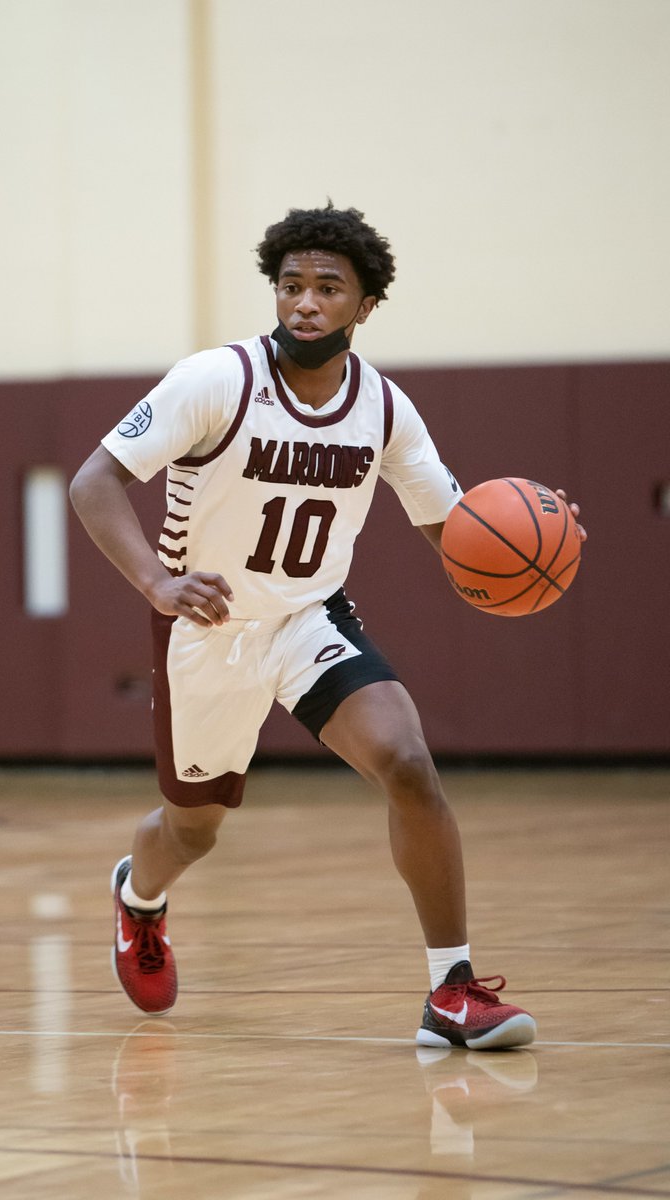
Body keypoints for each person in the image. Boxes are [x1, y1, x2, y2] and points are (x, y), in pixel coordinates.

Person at [70, 202, 585, 1051]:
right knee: (191, 832)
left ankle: (451, 994)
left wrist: (536, 539)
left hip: (310, 616)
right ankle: (139, 898)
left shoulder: (383, 409)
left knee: (409, 764)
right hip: (206, 627)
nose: (304, 303)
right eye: (291, 285)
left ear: (364, 307)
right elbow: (94, 482)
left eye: (327, 289)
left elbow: (456, 531)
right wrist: (157, 583)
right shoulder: (215, 380)